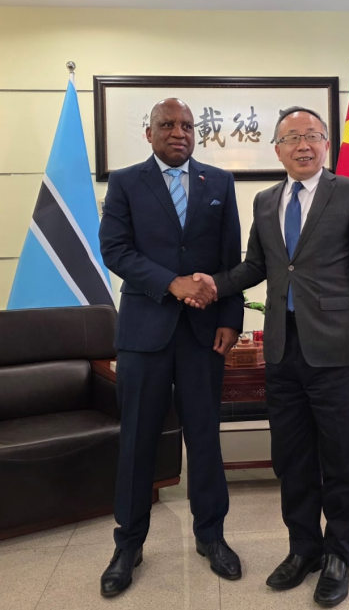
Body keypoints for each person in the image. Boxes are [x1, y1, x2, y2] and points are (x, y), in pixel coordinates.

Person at [187, 106, 349, 607]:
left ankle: (339, 553)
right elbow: (256, 265)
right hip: (281, 347)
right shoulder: (265, 200)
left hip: (338, 348)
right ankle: (304, 548)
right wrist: (214, 284)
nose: (303, 145)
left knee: (344, 458)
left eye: (312, 135)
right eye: (292, 137)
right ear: (276, 149)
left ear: (326, 145)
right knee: (292, 459)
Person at [98, 98, 244, 597]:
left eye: (186, 125)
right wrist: (172, 283)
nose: (178, 132)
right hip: (144, 334)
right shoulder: (125, 182)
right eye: (167, 125)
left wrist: (231, 319)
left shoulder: (218, 182)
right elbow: (115, 249)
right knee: (138, 440)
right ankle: (128, 545)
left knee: (205, 438)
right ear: (149, 133)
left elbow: (230, 260)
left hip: (204, 335)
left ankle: (212, 536)